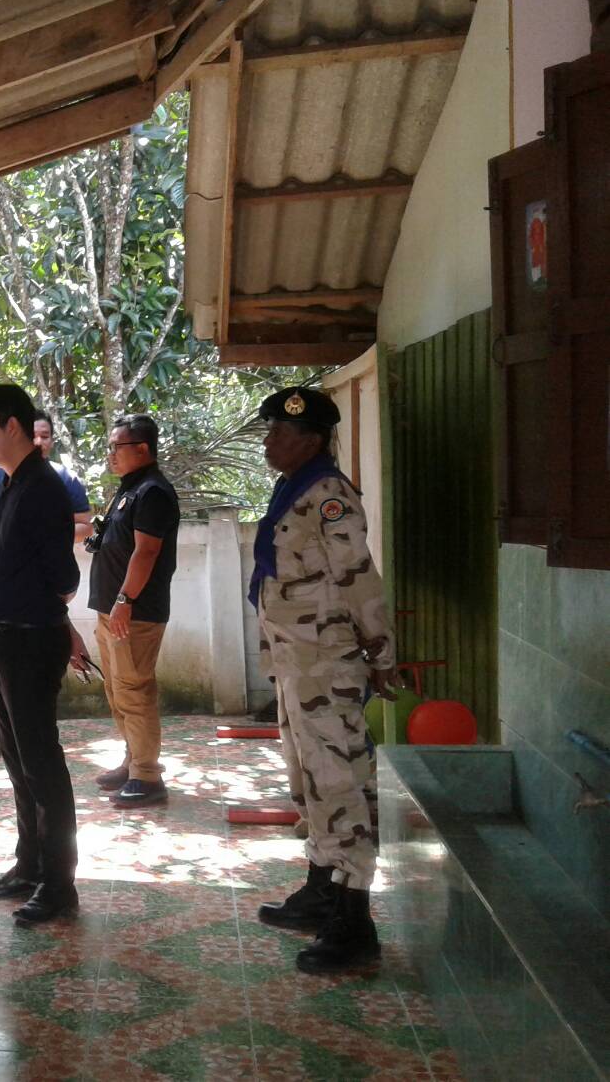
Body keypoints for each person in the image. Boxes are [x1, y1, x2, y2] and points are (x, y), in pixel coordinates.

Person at [249, 386, 400, 974]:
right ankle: (321, 888)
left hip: (326, 665)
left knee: (339, 786)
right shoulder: (294, 488)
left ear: (311, 440)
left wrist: (382, 652)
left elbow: (359, 578)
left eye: (280, 432)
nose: (269, 441)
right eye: (268, 430)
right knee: (309, 781)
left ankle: (355, 919)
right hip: (297, 663)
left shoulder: (330, 496)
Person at [0, 385, 87, 924]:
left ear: (12, 425)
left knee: (41, 763)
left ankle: (59, 884)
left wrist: (54, 616)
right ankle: (30, 866)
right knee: (16, 759)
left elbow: (63, 576)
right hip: (5, 635)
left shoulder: (43, 488)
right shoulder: (12, 483)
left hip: (31, 639)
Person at [0, 408, 93, 762]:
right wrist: (13, 530)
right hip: (6, 598)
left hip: (44, 594)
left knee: (35, 730)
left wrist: (45, 532)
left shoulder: (60, 480)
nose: (38, 442)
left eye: (45, 436)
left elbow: (85, 526)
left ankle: (33, 743)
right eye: (33, 435)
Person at [87, 415, 181, 808]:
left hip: (134, 612)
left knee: (134, 691)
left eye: (117, 447)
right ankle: (133, 761)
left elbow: (147, 551)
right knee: (118, 690)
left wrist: (125, 601)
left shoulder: (153, 491)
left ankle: (147, 775)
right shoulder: (130, 488)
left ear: (142, 449)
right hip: (114, 610)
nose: (110, 454)